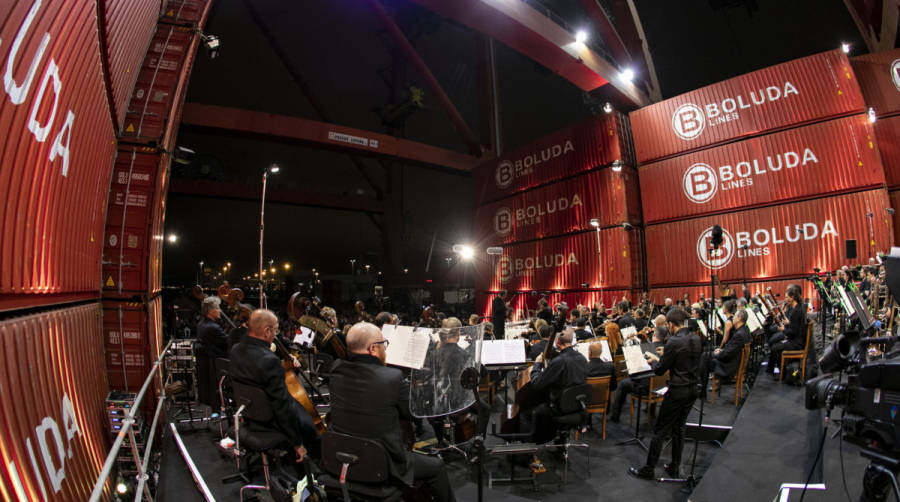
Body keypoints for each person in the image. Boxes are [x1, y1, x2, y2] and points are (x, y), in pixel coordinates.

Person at [328, 323, 456, 502]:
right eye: (383, 344)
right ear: (373, 348)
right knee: (436, 466)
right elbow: (413, 413)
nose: (385, 350)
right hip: (381, 464)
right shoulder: (391, 378)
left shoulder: (335, 371)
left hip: (342, 457)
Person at [229, 309, 318, 462]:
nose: (275, 335)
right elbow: (282, 406)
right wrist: (296, 443)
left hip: (249, 414)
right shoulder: (269, 360)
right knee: (310, 426)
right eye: (275, 331)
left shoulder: (236, 350)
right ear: (266, 331)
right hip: (270, 420)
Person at [629, 307, 701, 480]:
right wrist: (666, 354)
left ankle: (648, 469)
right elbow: (683, 360)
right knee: (679, 428)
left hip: (677, 391)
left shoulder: (673, 342)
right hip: (693, 389)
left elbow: (660, 370)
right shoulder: (696, 338)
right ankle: (675, 466)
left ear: (670, 324)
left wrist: (656, 359)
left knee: (660, 430)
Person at [523, 329, 588, 443]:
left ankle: (531, 447)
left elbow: (537, 383)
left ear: (557, 342)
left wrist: (537, 364)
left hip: (560, 408)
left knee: (527, 412)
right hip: (578, 405)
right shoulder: (582, 358)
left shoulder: (559, 361)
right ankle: (560, 441)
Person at [700, 309, 751, 392]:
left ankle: (702, 388)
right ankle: (702, 386)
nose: (733, 318)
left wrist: (718, 353)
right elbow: (731, 349)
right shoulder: (745, 330)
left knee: (705, 357)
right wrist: (721, 350)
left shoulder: (739, 335)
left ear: (739, 319)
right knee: (707, 354)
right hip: (734, 361)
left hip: (730, 366)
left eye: (735, 316)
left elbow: (727, 354)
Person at [766, 284, 807, 377]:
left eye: (787, 297)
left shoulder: (796, 311)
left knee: (775, 348)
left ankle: (782, 373)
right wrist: (787, 324)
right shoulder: (797, 308)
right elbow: (794, 327)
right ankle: (780, 370)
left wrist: (783, 329)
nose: (785, 299)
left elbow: (794, 332)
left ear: (792, 297)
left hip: (797, 343)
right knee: (776, 346)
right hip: (796, 339)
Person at [196, 296, 228, 405]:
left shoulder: (201, 323)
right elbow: (227, 342)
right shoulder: (212, 327)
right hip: (213, 363)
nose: (219, 311)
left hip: (205, 362)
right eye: (217, 308)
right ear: (210, 311)